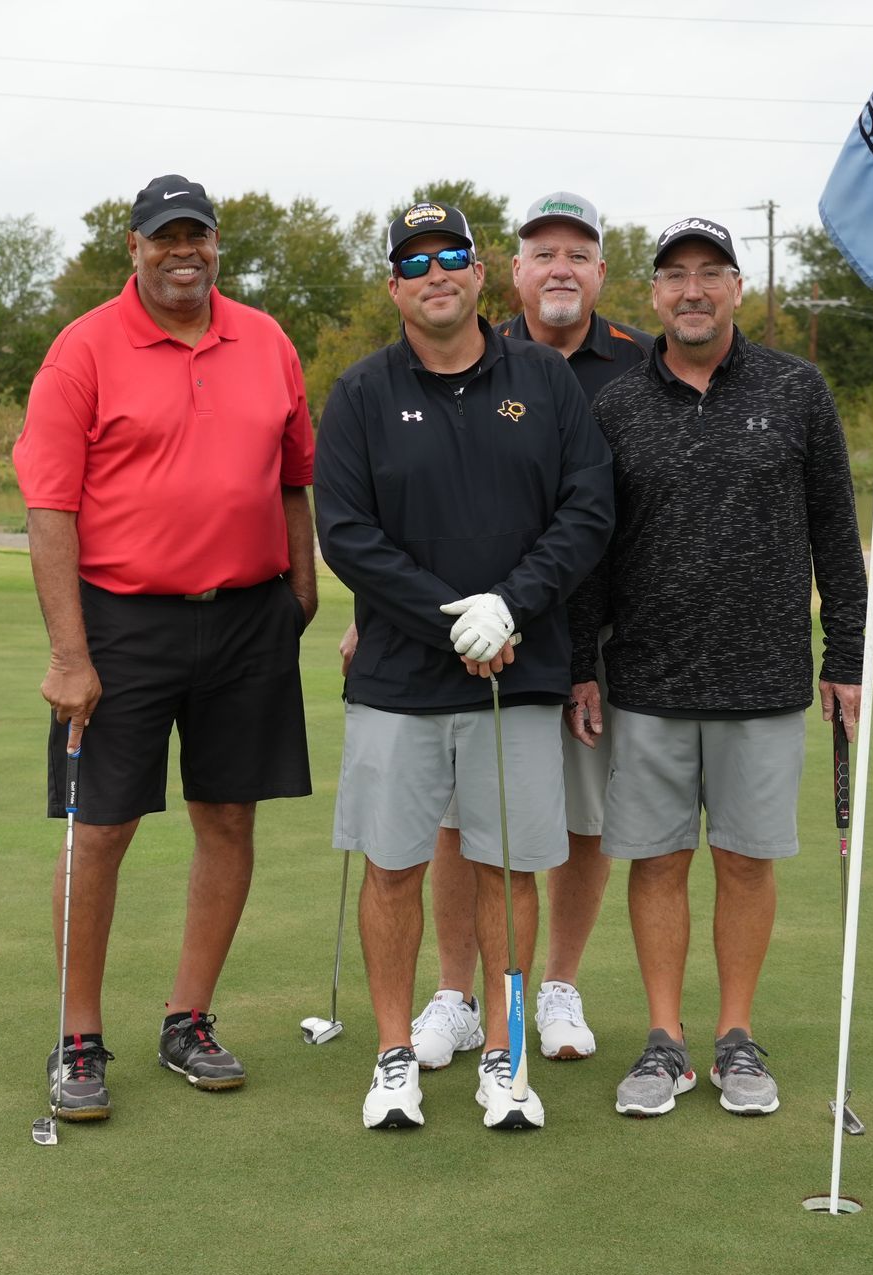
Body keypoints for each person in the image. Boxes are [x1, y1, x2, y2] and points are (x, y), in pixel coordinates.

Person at [12, 174, 317, 1124]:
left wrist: (301, 586)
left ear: (217, 245)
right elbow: (49, 507)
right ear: (134, 249)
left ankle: (188, 1019)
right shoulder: (82, 351)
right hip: (122, 621)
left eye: (198, 236)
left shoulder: (264, 338)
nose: (182, 252)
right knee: (99, 830)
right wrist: (70, 652)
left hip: (246, 617)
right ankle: (78, 1038)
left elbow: (294, 476)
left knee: (228, 820)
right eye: (163, 238)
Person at [315, 200, 613, 1131]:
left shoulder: (544, 380)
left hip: (518, 674)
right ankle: (394, 1054)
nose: (435, 272)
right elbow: (348, 536)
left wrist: (511, 605)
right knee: (394, 864)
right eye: (415, 261)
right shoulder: (363, 393)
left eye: (453, 256)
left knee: (506, 867)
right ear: (394, 285)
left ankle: (502, 1056)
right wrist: (456, 619)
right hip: (402, 680)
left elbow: (586, 510)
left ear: (482, 275)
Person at [569, 216, 866, 1119]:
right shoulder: (615, 403)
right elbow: (591, 549)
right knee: (655, 862)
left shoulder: (797, 389)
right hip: (648, 680)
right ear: (653, 295)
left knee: (745, 862)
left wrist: (845, 657)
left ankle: (737, 1035)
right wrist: (583, 661)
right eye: (675, 277)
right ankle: (666, 1041)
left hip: (766, 681)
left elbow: (836, 538)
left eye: (711, 273)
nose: (692, 291)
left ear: (738, 287)